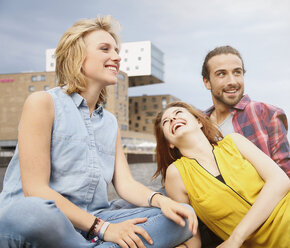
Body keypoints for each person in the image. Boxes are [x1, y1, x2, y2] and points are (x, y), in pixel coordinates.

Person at [0, 16, 197, 248]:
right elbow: (36, 190)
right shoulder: (42, 103)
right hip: (44, 221)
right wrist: (104, 229)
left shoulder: (110, 122)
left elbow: (125, 184)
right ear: (76, 56)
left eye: (116, 50)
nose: (116, 57)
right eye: (105, 49)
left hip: (94, 221)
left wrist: (160, 200)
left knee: (182, 215)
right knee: (34, 211)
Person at [154, 101, 290, 248]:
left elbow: (280, 181)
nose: (172, 119)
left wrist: (235, 239)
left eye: (178, 113)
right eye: (166, 121)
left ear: (199, 121)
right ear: (169, 144)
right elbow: (191, 235)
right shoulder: (177, 174)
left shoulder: (233, 141)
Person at [202, 45, 290, 184]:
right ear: (207, 82)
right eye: (221, 74)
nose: (232, 81)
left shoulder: (267, 114)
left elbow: (289, 175)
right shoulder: (197, 124)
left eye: (237, 72)